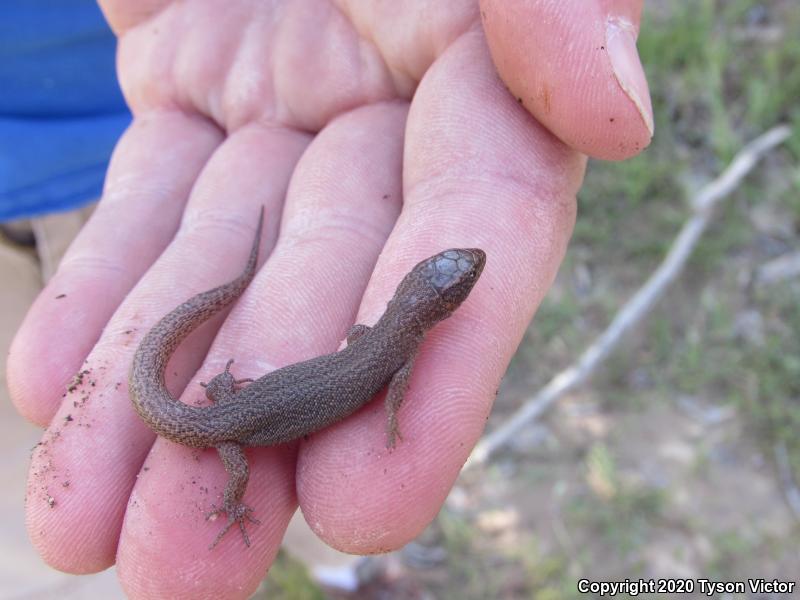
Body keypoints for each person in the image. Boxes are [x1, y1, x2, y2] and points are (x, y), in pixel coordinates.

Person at [7, 1, 652, 598]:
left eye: (451, 276)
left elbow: (365, 340)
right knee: (153, 499)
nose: (465, 272)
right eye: (453, 278)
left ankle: (335, 571)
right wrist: (394, 420)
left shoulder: (388, 335)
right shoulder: (397, 349)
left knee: (325, 495)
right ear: (432, 304)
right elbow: (391, 386)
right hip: (224, 422)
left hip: (233, 407)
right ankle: (278, 539)